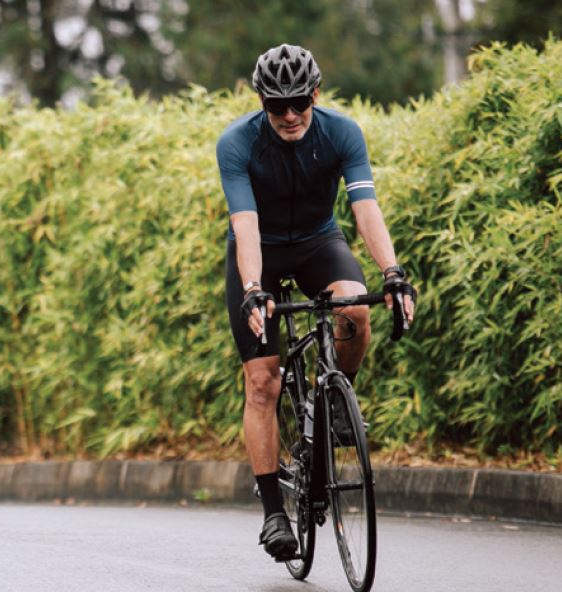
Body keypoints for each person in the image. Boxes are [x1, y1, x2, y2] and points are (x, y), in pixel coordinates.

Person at [215, 45, 417, 560]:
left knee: (354, 309)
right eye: (276, 105)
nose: (288, 115)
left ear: (315, 95)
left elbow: (365, 208)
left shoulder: (342, 132)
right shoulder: (237, 143)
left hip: (317, 244)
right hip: (258, 252)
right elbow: (245, 225)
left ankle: (334, 397)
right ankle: (273, 514)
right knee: (263, 380)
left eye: (299, 102)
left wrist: (392, 273)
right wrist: (255, 288)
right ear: (260, 100)